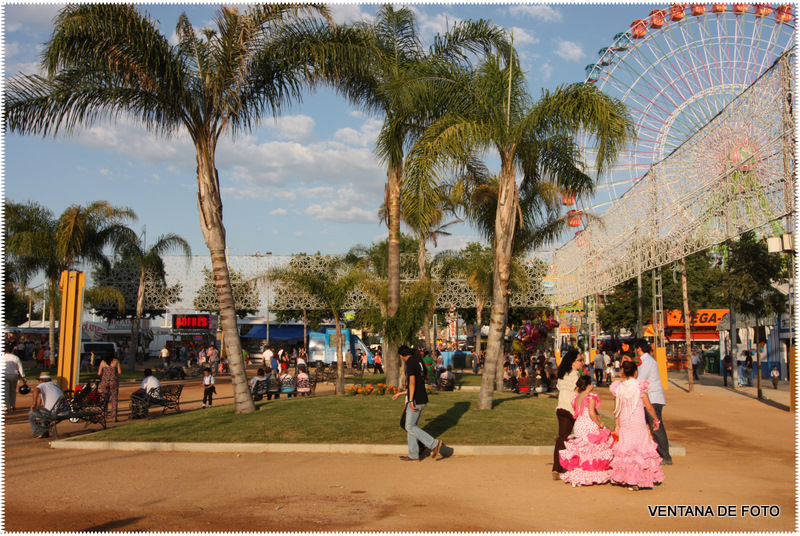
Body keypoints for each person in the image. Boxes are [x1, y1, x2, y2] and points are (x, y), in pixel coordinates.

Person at [609, 360, 665, 490]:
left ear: (623, 372)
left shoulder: (619, 387)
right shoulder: (640, 387)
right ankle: (639, 479)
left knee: (627, 450)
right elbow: (649, 407)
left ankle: (628, 478)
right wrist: (656, 420)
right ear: (636, 372)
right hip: (638, 421)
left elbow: (617, 409)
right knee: (640, 449)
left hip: (624, 421)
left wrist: (617, 425)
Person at [559, 375, 615, 487]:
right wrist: (599, 423)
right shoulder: (591, 397)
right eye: (592, 383)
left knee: (581, 450)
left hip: (579, 424)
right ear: (588, 386)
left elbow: (580, 411)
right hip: (589, 424)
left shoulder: (577, 397)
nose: (593, 385)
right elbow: (591, 413)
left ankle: (578, 476)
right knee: (592, 449)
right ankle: (591, 475)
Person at [392, 346, 443, 461]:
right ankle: (413, 454)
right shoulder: (418, 361)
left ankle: (434, 444)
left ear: (401, 355)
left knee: (409, 426)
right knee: (410, 426)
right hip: (421, 397)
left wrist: (410, 400)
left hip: (416, 399)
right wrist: (401, 394)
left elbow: (412, 382)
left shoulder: (410, 363)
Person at [633, 339, 672, 465]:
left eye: (635, 349)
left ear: (639, 348)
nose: (635, 351)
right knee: (643, 426)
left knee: (656, 426)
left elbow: (640, 379)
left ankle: (665, 456)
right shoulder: (645, 361)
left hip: (653, 398)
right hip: (649, 398)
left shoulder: (647, 361)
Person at [553, 349, 583, 479]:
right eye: (579, 360)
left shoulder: (562, 375)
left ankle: (558, 468)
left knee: (562, 437)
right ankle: (559, 467)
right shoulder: (575, 376)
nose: (581, 362)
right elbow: (579, 394)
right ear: (572, 362)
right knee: (571, 438)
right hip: (570, 409)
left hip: (560, 408)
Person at [28, 372, 64, 438]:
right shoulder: (55, 385)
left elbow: (36, 391)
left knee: (31, 413)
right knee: (44, 412)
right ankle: (45, 432)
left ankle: (39, 433)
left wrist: (34, 403)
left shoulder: (42, 385)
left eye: (39, 380)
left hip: (54, 413)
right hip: (64, 412)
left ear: (41, 380)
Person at [97, 348, 122, 422]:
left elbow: (99, 373)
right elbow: (119, 372)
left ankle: (104, 415)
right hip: (113, 381)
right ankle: (114, 416)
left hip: (105, 382)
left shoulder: (103, 362)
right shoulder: (116, 361)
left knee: (105, 398)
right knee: (114, 398)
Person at [3, 345, 26, 413]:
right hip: (14, 375)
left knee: (6, 391)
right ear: (12, 350)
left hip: (5, 375)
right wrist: (23, 377)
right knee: (13, 391)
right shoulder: (15, 357)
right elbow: (20, 367)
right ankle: (12, 406)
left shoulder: (2, 357)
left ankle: (6, 407)